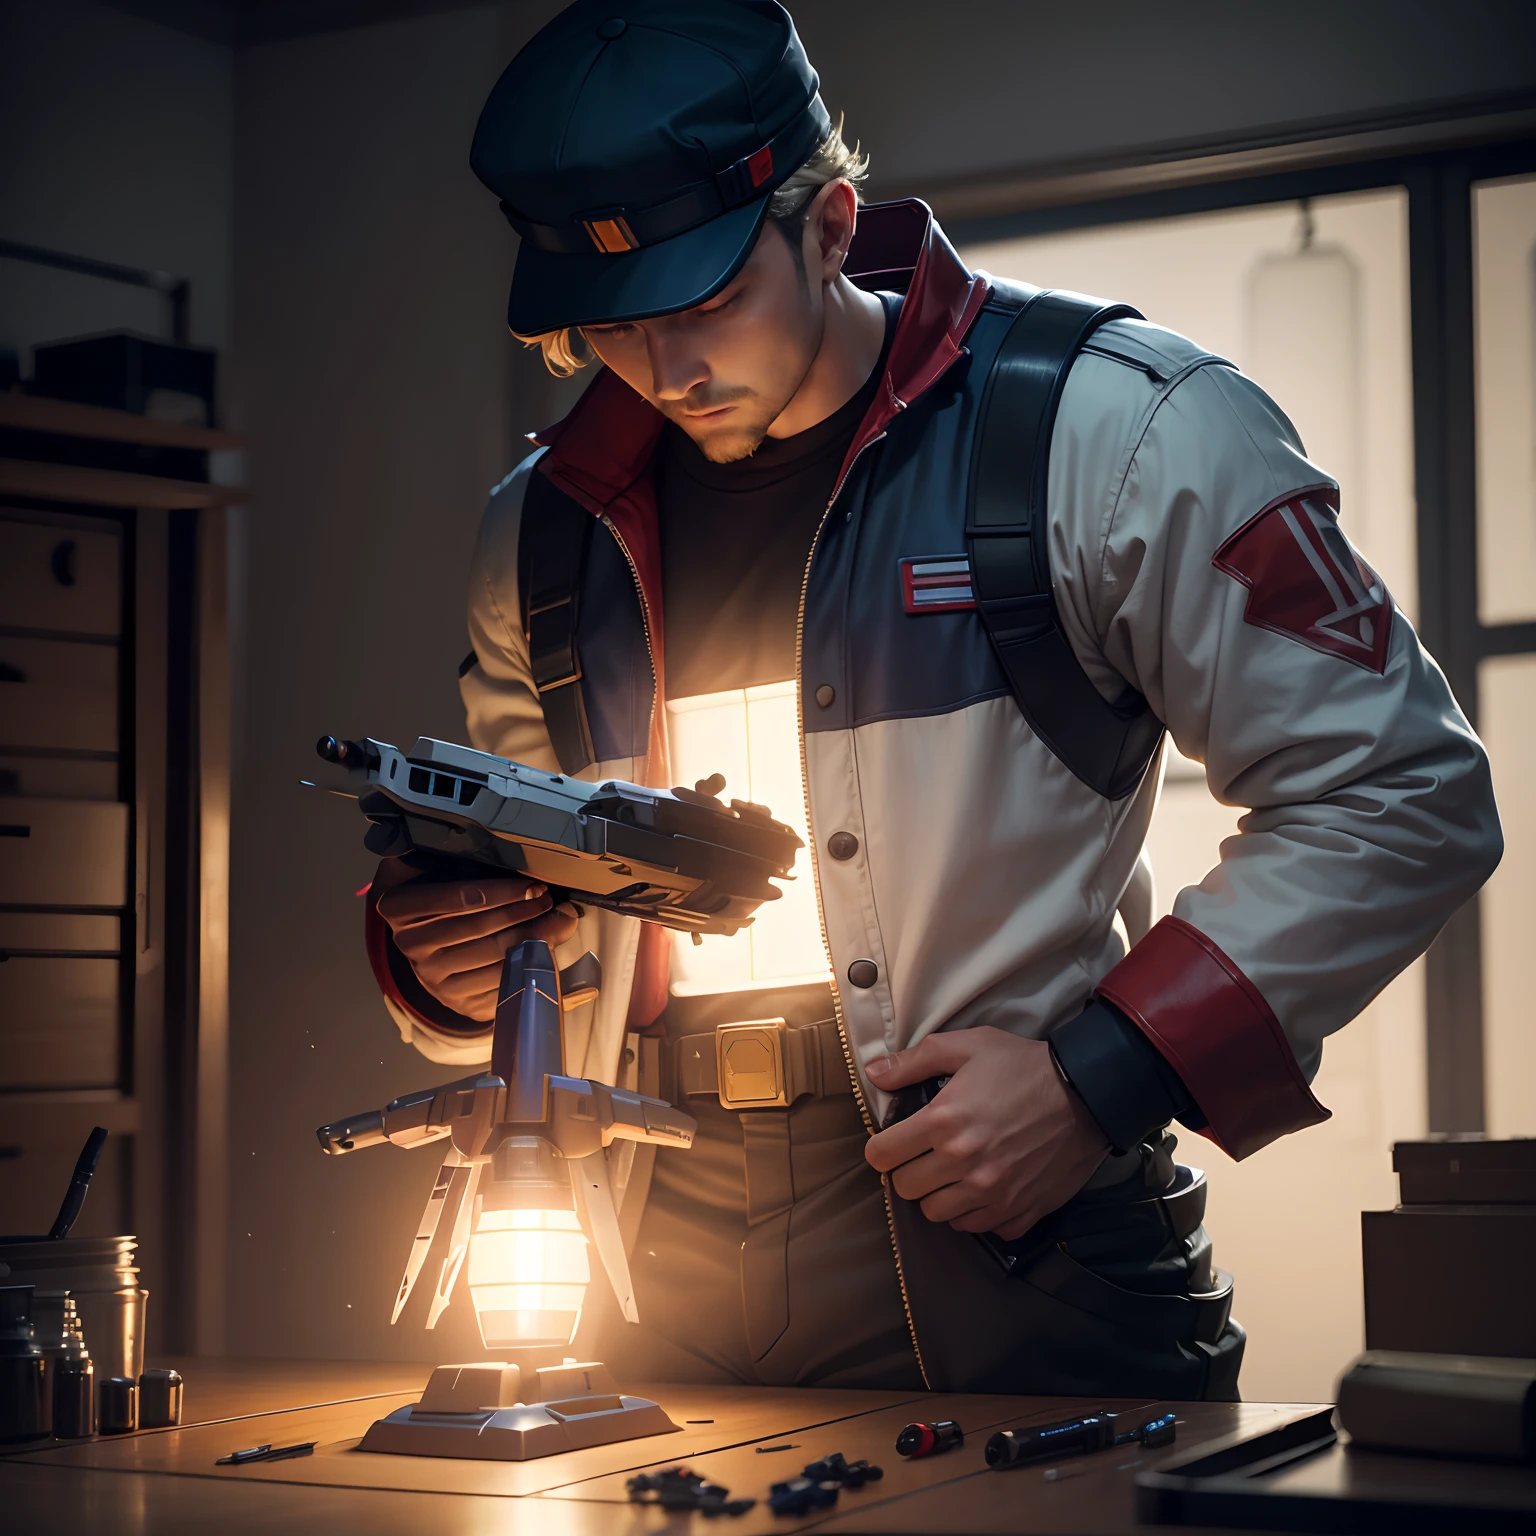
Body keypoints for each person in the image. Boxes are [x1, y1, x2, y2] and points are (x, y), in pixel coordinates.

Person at [365, 0, 1502, 1397]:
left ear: (830, 221)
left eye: (708, 299)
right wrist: (451, 958)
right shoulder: (543, 528)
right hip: (626, 1250)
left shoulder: (1117, 427)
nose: (667, 371)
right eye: (610, 326)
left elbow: (1403, 792)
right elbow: (533, 923)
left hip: (1019, 1235)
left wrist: (1103, 1077)